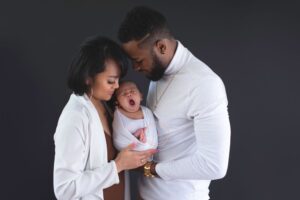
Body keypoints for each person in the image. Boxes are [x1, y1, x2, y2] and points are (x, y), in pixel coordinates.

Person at [118, 6, 231, 200]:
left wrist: (149, 169)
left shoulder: (205, 84)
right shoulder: (159, 72)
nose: (135, 68)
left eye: (138, 61)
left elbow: (215, 165)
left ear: (161, 47)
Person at [53, 36, 156, 200]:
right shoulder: (75, 117)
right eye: (110, 81)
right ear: (88, 77)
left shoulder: (105, 106)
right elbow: (65, 189)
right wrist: (118, 166)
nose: (117, 86)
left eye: (117, 80)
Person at [111, 80, 158, 153]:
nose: (129, 94)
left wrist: (146, 140)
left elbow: (153, 132)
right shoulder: (118, 114)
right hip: (129, 156)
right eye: (123, 94)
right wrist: (136, 136)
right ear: (117, 102)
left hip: (150, 155)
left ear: (141, 96)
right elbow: (119, 140)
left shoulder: (147, 112)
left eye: (133, 91)